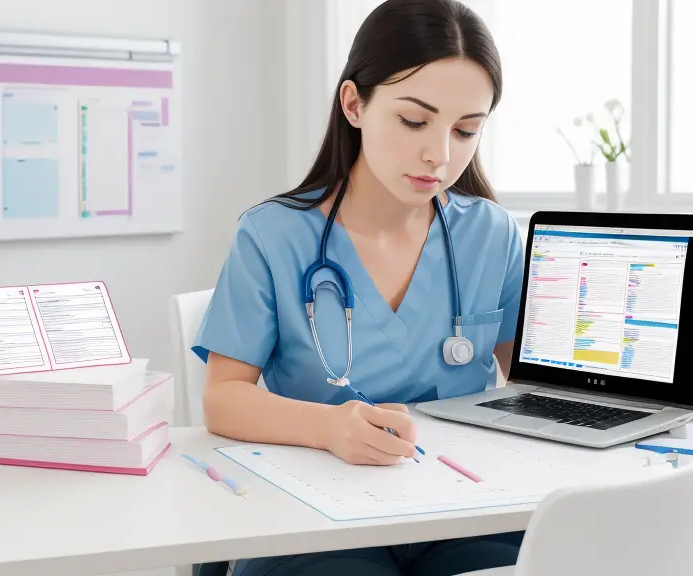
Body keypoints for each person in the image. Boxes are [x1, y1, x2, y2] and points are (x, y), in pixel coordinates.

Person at [191, 0, 525, 573]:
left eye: (466, 130)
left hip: (465, 508)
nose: (439, 155)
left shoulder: (491, 234)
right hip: (316, 520)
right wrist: (327, 427)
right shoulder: (273, 236)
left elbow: (531, 384)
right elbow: (223, 397)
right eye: (414, 121)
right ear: (354, 104)